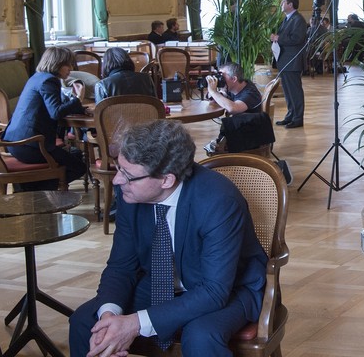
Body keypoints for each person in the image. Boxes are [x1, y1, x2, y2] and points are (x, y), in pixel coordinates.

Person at [68, 120, 267, 356]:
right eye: (118, 168)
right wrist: (110, 316)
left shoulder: (218, 201)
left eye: (128, 175)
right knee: (85, 322)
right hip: (159, 283)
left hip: (230, 288)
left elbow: (214, 291)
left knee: (201, 336)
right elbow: (121, 267)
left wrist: (134, 323)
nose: (117, 181)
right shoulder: (129, 195)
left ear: (166, 180)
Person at [2, 46, 87, 190]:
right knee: (79, 166)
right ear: (58, 64)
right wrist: (78, 99)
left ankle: (29, 188)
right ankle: (34, 191)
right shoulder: (49, 81)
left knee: (75, 155)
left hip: (15, 143)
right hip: (30, 145)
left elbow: (53, 107)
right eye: (69, 64)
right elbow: (56, 112)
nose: (71, 69)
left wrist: (73, 101)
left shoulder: (37, 77)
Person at [203, 63, 263, 154]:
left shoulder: (250, 93)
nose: (220, 78)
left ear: (234, 79)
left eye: (222, 75)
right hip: (240, 129)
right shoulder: (236, 86)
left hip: (250, 135)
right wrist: (215, 94)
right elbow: (212, 98)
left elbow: (233, 108)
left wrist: (213, 92)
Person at [270, 0, 307, 128]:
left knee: (295, 90)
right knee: (287, 90)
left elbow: (298, 39)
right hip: (285, 60)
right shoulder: (287, 19)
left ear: (291, 4)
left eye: (284, 2)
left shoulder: (298, 20)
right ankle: (291, 115)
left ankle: (298, 118)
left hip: (293, 61)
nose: (281, 4)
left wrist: (278, 38)